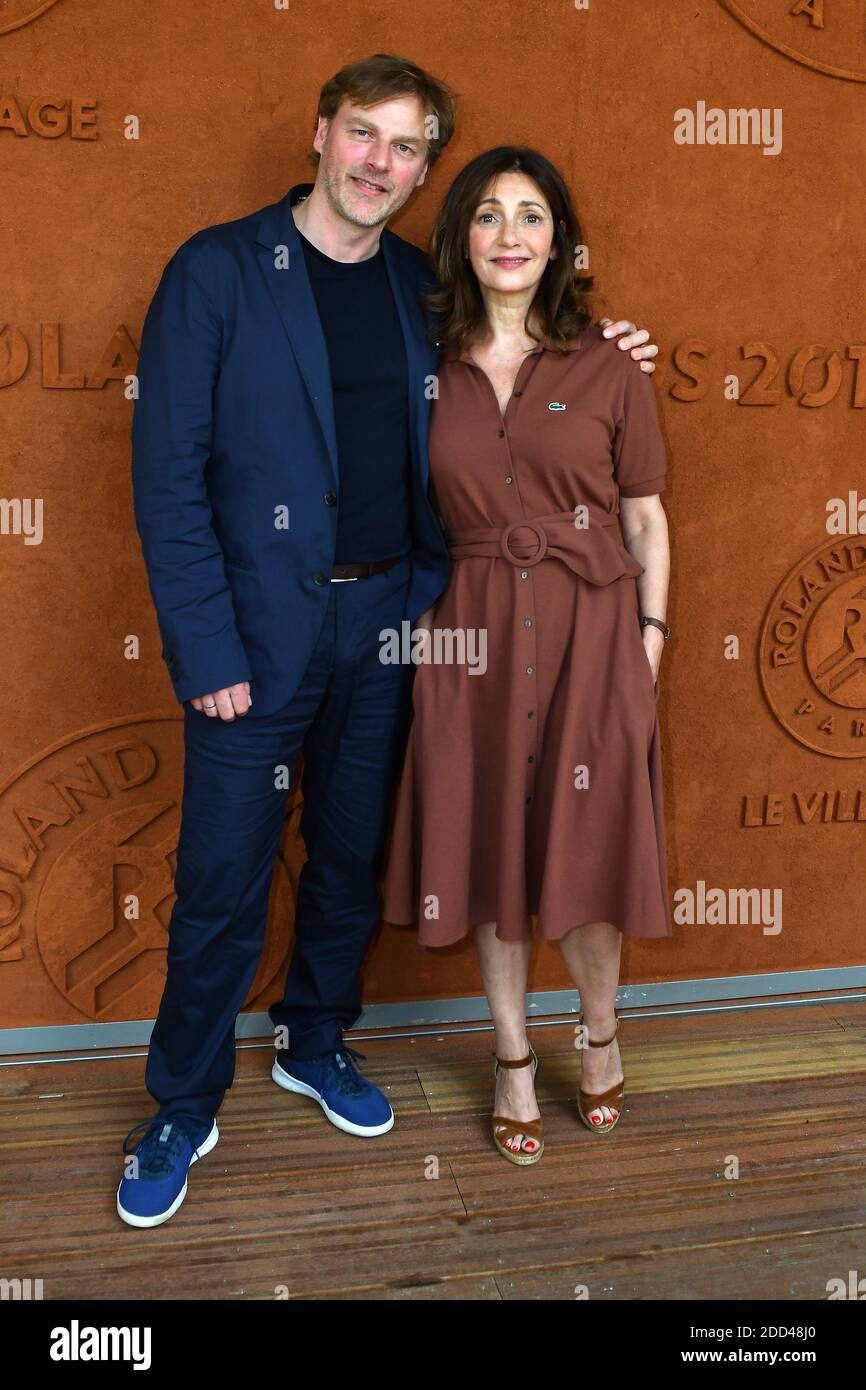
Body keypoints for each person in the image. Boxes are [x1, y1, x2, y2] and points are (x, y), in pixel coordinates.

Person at [121, 52, 659, 1227]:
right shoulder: (216, 272)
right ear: (321, 133)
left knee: (350, 859)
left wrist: (616, 352)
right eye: (365, 134)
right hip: (251, 636)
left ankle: (314, 1039)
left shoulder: (420, 291)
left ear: (423, 170)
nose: (382, 163)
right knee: (220, 878)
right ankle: (181, 1099)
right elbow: (164, 480)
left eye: (409, 148)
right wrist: (205, 651)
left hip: (390, 626)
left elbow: (522, 357)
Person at [381, 146, 672, 1166]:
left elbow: (644, 517)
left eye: (532, 216)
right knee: (489, 849)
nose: (510, 234)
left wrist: (648, 637)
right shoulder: (419, 363)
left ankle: (598, 1036)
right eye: (489, 215)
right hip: (470, 636)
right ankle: (510, 1056)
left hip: (594, 630)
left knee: (588, 851)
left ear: (557, 241)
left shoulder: (608, 362)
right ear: (460, 235)